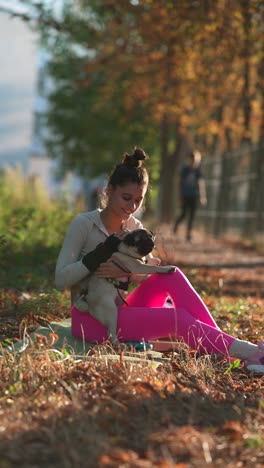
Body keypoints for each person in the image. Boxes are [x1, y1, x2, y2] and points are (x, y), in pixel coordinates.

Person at [55, 147, 264, 373]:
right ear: (109, 190)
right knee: (177, 318)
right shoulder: (84, 224)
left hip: (124, 311)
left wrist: (127, 273)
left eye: (138, 200)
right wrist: (99, 256)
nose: (132, 207)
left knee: (171, 273)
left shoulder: (134, 227)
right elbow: (60, 280)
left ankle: (228, 349)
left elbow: (147, 273)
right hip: (94, 320)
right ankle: (250, 353)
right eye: (126, 198)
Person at [173, 150, 207, 242]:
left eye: (196, 160)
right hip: (185, 195)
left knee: (192, 216)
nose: (194, 162)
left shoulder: (198, 171)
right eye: (192, 160)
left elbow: (200, 184)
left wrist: (202, 197)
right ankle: (175, 226)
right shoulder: (185, 170)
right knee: (183, 214)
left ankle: (188, 235)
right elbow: (180, 183)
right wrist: (180, 195)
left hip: (194, 196)